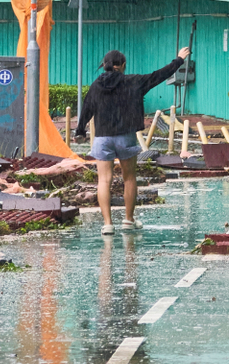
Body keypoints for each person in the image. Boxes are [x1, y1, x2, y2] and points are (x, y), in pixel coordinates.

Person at [74, 46, 190, 234]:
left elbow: (87, 108)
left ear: (104, 66)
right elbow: (158, 76)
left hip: (102, 138)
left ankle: (107, 224)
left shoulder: (96, 85)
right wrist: (178, 60)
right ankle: (128, 220)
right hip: (125, 136)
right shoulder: (133, 82)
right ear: (123, 65)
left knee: (104, 181)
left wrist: (80, 131)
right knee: (129, 178)